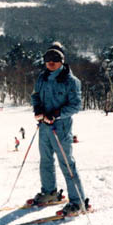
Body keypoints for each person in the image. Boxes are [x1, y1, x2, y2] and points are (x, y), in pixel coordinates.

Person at [31, 42, 87, 215]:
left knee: (67, 164)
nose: (51, 62)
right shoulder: (42, 77)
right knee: (45, 161)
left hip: (60, 128)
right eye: (48, 58)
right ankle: (50, 192)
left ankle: (77, 202)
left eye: (55, 59)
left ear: (62, 61)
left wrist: (57, 114)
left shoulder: (71, 81)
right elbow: (35, 96)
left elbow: (76, 106)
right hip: (44, 128)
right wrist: (38, 109)